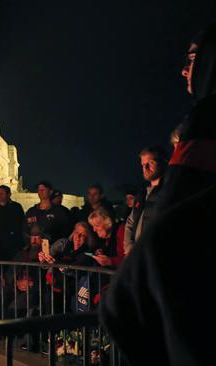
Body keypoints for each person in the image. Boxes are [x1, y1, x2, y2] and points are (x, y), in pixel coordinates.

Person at [101, 24, 216, 365]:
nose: (184, 69)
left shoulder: (207, 121)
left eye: (195, 59)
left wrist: (123, 299)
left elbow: (170, 229)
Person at [123, 146, 168, 254]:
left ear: (164, 162)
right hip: (139, 257)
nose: (145, 168)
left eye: (151, 163)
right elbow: (130, 222)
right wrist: (130, 247)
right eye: (143, 165)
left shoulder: (169, 191)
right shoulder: (142, 194)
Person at [23, 181, 71, 249]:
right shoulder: (31, 212)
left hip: (53, 252)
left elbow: (66, 232)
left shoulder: (59, 212)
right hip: (34, 251)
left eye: (43, 189)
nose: (40, 191)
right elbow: (25, 231)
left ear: (50, 192)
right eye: (39, 190)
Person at [0, 185, 24, 261]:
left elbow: (20, 225)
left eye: (2, 193)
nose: (0, 195)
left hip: (12, 245)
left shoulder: (16, 207)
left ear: (9, 194)